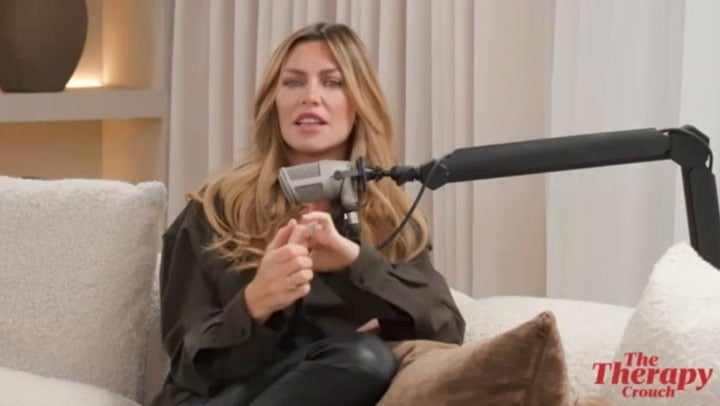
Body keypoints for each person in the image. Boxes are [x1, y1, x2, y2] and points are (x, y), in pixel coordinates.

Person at [152, 22, 465, 406]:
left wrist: (356, 263)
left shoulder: (394, 219)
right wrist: (255, 304)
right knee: (363, 360)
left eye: (332, 83)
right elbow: (187, 366)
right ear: (274, 102)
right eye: (293, 82)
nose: (310, 97)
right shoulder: (214, 210)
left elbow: (446, 333)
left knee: (363, 360)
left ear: (359, 103)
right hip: (216, 399)